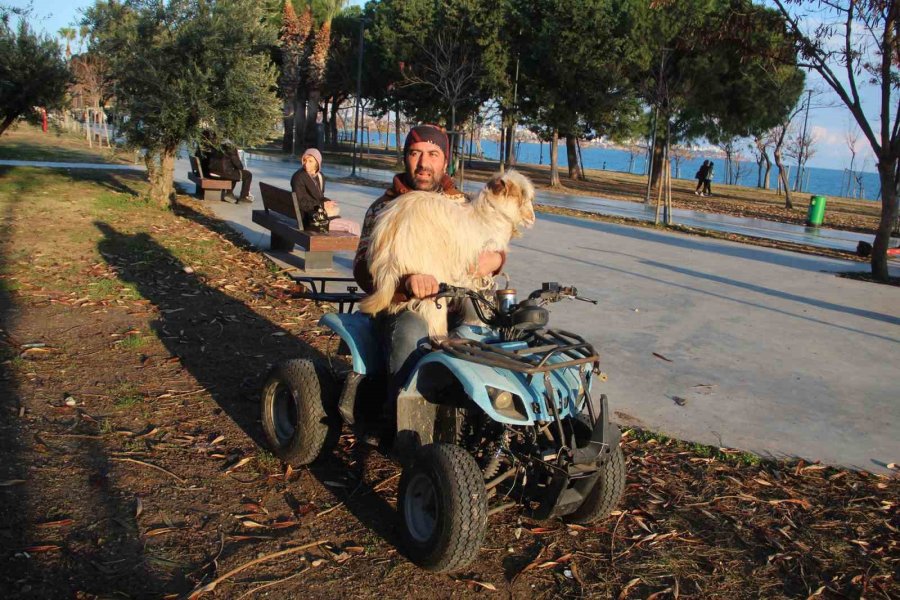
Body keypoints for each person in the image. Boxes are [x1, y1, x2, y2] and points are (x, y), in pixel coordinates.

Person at [353, 124, 505, 403]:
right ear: (405, 158)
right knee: (411, 332)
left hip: (456, 300)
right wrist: (406, 281)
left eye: (433, 154)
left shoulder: (464, 204)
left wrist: (495, 260)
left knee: (489, 322)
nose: (424, 163)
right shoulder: (383, 208)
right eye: (415, 153)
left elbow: (489, 242)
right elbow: (363, 269)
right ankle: (403, 422)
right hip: (403, 306)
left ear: (446, 161)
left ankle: (480, 405)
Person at [290, 148, 360, 236]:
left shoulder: (319, 176)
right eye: (304, 160)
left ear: (317, 163)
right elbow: (300, 203)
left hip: (316, 215)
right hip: (310, 220)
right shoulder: (298, 177)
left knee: (349, 222)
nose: (306, 164)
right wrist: (322, 205)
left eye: (310, 161)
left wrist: (327, 202)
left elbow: (319, 197)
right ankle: (362, 250)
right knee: (352, 226)